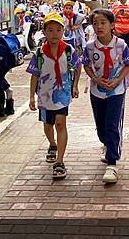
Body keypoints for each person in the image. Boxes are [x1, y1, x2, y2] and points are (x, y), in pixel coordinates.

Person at [82, 9, 129, 183]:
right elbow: (87, 65)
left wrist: (119, 80)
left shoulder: (121, 45)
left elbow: (128, 65)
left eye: (103, 23)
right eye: (95, 23)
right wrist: (95, 78)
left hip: (116, 91)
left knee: (112, 123)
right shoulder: (90, 47)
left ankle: (112, 162)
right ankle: (106, 144)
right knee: (101, 125)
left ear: (112, 25)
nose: (99, 27)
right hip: (97, 90)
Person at [28, 12, 81, 179]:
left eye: (58, 30)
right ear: (44, 32)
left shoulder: (68, 50)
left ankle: (59, 161)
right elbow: (34, 75)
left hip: (62, 93)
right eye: (50, 30)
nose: (54, 34)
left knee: (60, 123)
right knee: (47, 124)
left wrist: (75, 85)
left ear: (63, 31)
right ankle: (52, 144)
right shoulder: (39, 53)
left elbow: (77, 66)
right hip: (44, 95)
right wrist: (31, 96)